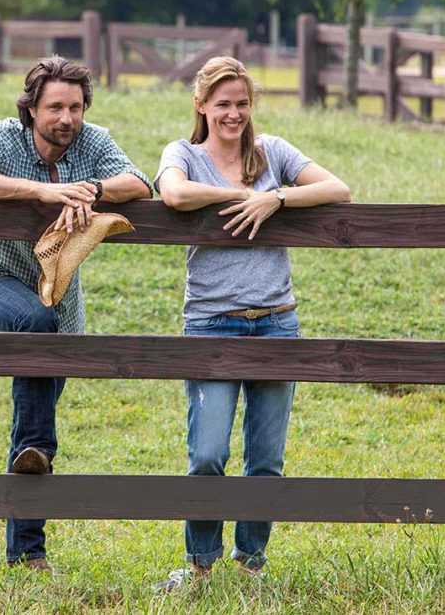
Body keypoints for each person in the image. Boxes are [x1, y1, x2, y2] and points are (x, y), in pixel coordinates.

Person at [0, 56, 152, 572]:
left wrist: (92, 191)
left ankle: (26, 554)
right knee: (34, 337)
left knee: (32, 407)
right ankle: (39, 455)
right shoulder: (0, 137)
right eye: (55, 106)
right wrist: (43, 192)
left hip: (60, 302)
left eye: (75, 107)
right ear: (32, 108)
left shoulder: (92, 142)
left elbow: (141, 183)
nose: (67, 118)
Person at [154, 56, 350, 587]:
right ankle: (199, 564)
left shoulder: (274, 154)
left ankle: (251, 563)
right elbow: (172, 193)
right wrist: (241, 195)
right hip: (211, 324)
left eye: (242, 103)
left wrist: (277, 197)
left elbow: (338, 189)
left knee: (266, 459)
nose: (234, 113)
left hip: (276, 322)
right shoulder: (185, 155)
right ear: (201, 105)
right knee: (209, 453)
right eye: (223, 104)